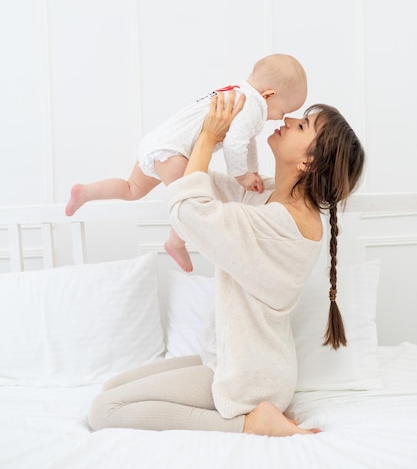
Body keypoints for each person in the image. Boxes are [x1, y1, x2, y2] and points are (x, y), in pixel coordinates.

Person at [88, 91, 365, 438]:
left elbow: (191, 210)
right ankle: (248, 417)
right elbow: (201, 185)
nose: (289, 120)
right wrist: (194, 138)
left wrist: (208, 136)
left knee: (104, 410)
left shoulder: (283, 226)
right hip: (232, 359)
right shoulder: (268, 196)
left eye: (302, 125)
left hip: (249, 376)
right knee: (113, 385)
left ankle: (248, 424)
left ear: (308, 162)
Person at [65, 53, 308, 272]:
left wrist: (252, 170)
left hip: (156, 142)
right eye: (284, 111)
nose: (281, 118)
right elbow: (235, 143)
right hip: (174, 153)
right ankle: (175, 242)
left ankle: (85, 192)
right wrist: (242, 176)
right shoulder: (253, 106)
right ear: (269, 95)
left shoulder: (237, 91)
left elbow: (248, 141)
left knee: (131, 188)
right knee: (191, 203)